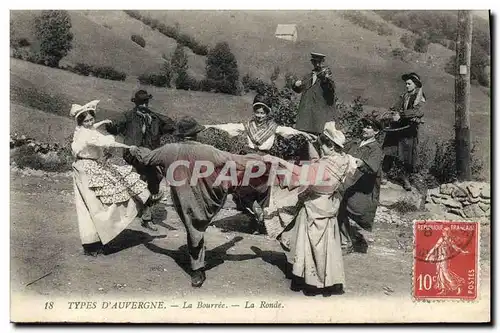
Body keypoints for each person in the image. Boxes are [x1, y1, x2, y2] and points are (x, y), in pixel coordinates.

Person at [129, 116, 259, 288]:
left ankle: (197, 268)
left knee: (192, 228)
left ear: (180, 135)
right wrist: (261, 160)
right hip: (205, 196)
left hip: (183, 197)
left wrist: (135, 149)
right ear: (196, 133)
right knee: (196, 228)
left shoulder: (168, 149)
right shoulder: (209, 150)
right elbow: (234, 160)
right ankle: (197, 268)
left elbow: (146, 159)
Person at [263, 121, 357, 296]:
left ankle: (313, 283)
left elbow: (300, 172)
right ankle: (329, 279)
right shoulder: (344, 160)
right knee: (328, 245)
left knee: (312, 245)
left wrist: (278, 160)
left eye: (322, 147)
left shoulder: (324, 166)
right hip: (328, 204)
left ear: (330, 146)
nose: (321, 150)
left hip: (315, 207)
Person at [205, 94, 314, 234]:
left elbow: (289, 131)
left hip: (265, 161)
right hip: (248, 159)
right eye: (257, 112)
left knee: (265, 192)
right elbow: (230, 127)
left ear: (267, 113)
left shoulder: (274, 128)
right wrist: (209, 126)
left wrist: (304, 134)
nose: (259, 115)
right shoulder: (248, 126)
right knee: (239, 188)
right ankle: (254, 214)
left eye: (262, 113)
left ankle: (261, 221)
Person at [70, 100, 152, 256]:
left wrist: (101, 122)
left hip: (83, 167)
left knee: (92, 205)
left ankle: (93, 242)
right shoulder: (87, 135)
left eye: (91, 119)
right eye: (86, 120)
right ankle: (94, 243)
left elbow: (91, 128)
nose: (89, 123)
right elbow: (106, 142)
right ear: (81, 122)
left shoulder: (80, 130)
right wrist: (129, 147)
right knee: (96, 205)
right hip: (87, 169)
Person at [106, 90, 176, 230]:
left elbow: (171, 125)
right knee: (145, 178)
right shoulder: (128, 116)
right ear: (136, 103)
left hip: (150, 153)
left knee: (154, 178)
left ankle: (143, 207)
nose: (144, 104)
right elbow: (114, 129)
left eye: (146, 102)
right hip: (133, 153)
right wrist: (109, 125)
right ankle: (146, 216)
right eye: (141, 102)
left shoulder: (154, 119)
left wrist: (154, 114)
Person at [339, 114, 384, 254]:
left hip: (363, 188)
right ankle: (347, 239)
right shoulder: (355, 144)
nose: (365, 129)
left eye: (369, 127)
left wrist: (358, 162)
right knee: (338, 207)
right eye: (364, 126)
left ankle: (347, 243)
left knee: (341, 208)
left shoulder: (375, 149)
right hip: (351, 184)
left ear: (376, 132)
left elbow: (373, 167)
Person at [382, 72, 425, 191]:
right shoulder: (404, 96)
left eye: (409, 84)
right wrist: (392, 113)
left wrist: (401, 115)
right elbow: (395, 107)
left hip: (408, 130)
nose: (406, 86)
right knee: (390, 149)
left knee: (406, 155)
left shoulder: (419, 97)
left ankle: (405, 178)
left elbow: (418, 111)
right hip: (397, 128)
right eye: (406, 84)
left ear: (415, 85)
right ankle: (384, 174)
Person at [292, 52, 337, 136]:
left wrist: (326, 78)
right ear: (312, 62)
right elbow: (298, 90)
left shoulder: (326, 78)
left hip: (318, 118)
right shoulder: (307, 76)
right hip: (305, 115)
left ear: (323, 62)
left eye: (319, 62)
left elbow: (331, 89)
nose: (317, 64)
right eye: (315, 62)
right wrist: (295, 85)